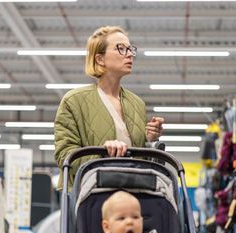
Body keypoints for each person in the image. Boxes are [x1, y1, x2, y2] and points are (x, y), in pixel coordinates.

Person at [54, 25, 164, 190]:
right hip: (91, 196)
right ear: (100, 59)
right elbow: (65, 156)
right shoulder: (74, 101)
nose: (129, 54)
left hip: (133, 194)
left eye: (130, 49)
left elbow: (141, 162)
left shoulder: (136, 103)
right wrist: (103, 153)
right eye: (120, 48)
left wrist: (149, 140)